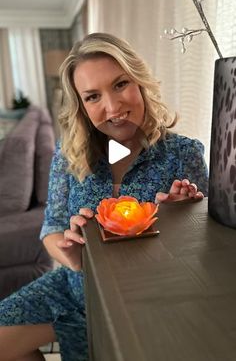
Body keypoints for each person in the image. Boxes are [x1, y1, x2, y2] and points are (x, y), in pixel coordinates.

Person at [0, 32, 208, 361]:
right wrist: (69, 255)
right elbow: (51, 227)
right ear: (81, 105)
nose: (113, 107)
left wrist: (182, 221)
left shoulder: (184, 155)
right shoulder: (68, 155)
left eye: (121, 84)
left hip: (143, 303)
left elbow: (201, 257)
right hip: (72, 289)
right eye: (93, 96)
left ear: (139, 81)